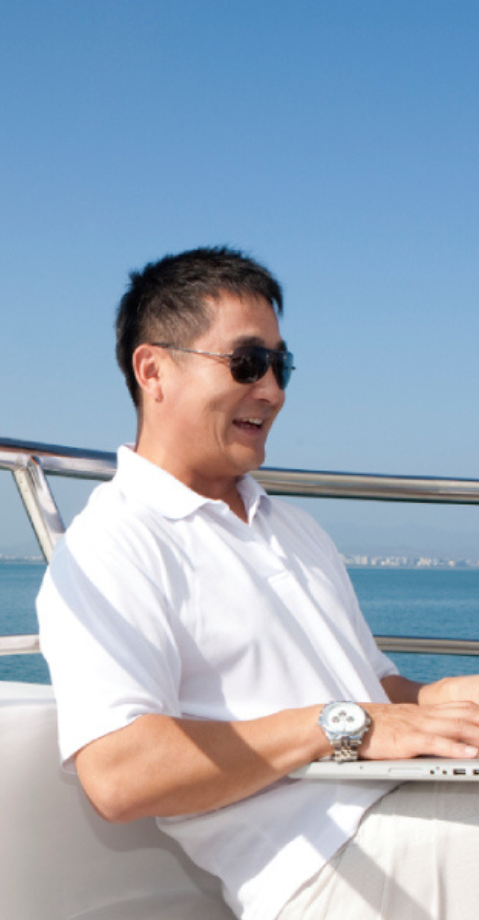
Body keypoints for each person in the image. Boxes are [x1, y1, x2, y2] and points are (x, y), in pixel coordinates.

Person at [36, 246, 479, 920]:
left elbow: (373, 692)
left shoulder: (294, 528)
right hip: (325, 868)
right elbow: (119, 773)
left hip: (414, 813)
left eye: (281, 365)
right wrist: (343, 725)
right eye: (247, 362)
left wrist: (445, 698)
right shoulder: (114, 543)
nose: (272, 390)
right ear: (153, 370)